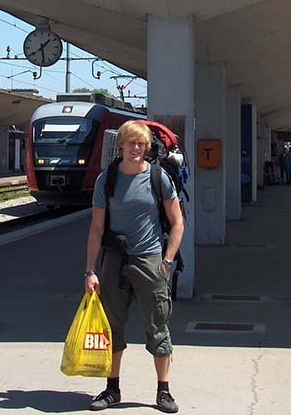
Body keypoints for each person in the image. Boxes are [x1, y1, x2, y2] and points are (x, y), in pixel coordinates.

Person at [85, 120, 184, 413]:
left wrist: (166, 261)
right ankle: (111, 389)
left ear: (148, 147)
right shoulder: (108, 179)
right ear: (121, 146)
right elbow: (96, 228)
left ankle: (163, 392)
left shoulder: (158, 178)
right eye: (131, 143)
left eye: (141, 144)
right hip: (115, 262)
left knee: (158, 327)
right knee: (112, 327)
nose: (136, 149)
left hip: (150, 261)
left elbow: (178, 222)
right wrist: (90, 271)